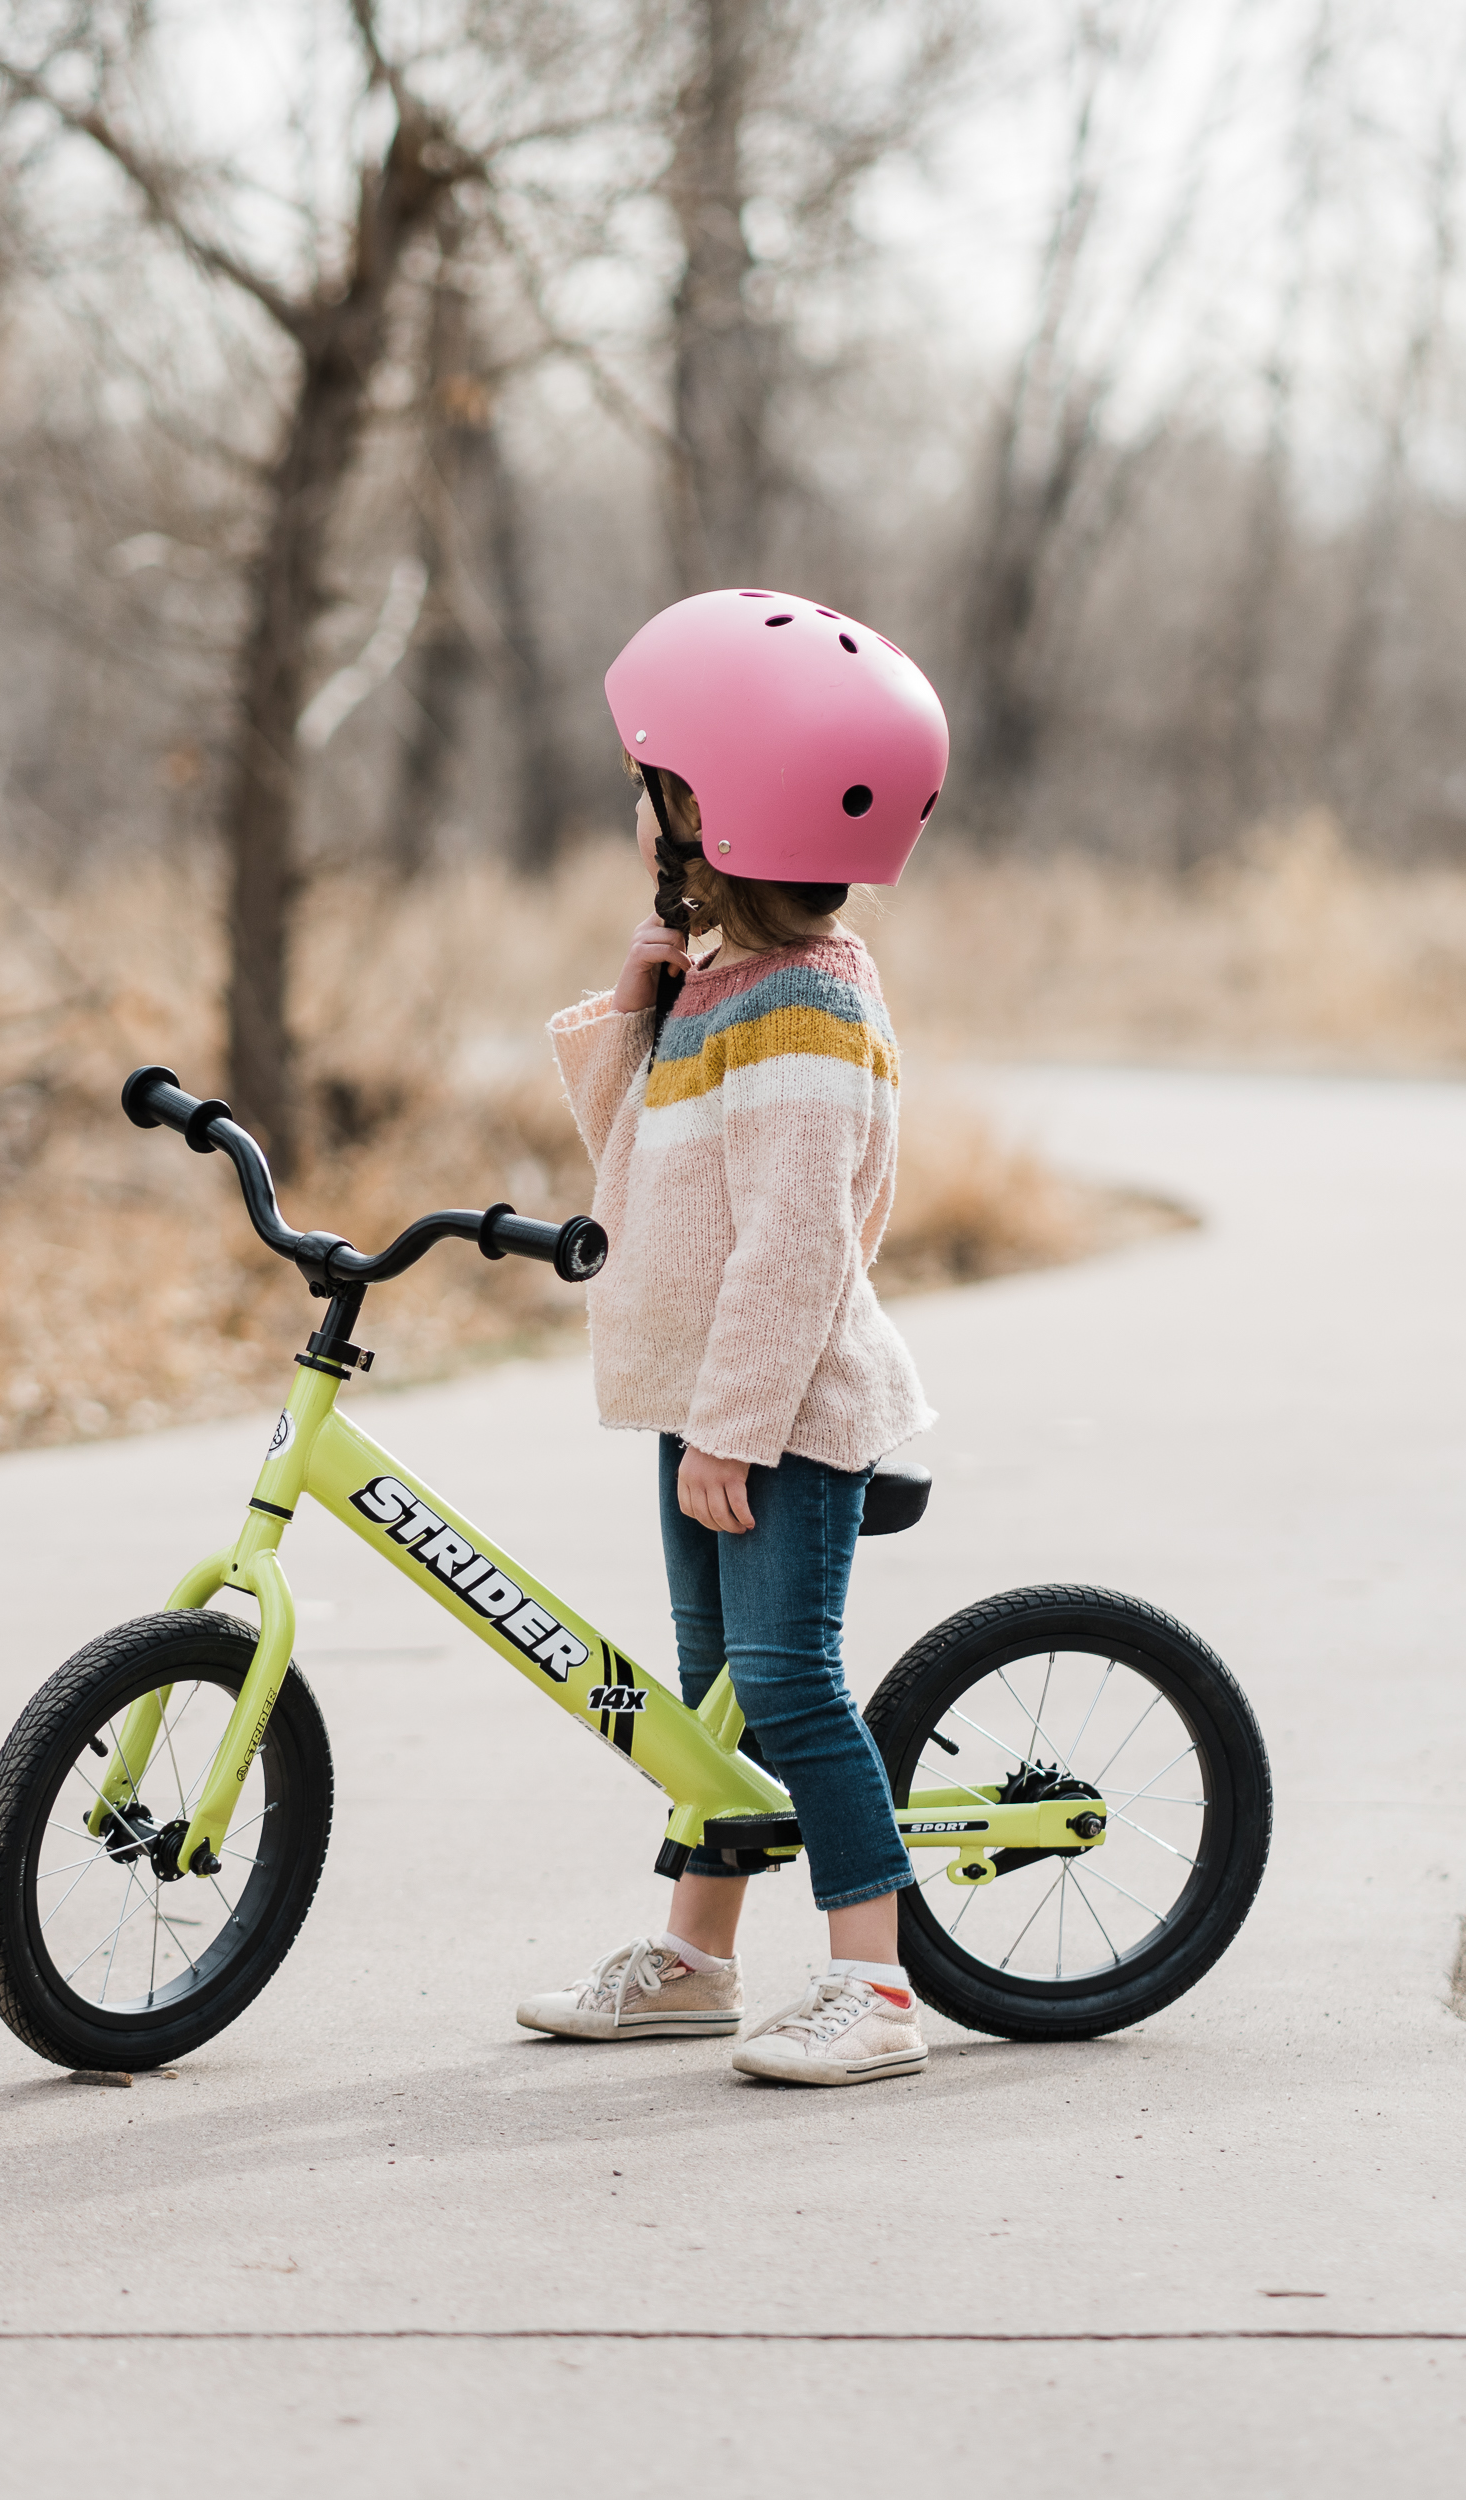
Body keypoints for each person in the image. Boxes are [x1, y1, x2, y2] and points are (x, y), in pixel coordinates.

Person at [516, 587, 950, 2086]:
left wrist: (739, 1426)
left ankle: (877, 1990)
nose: (647, 820)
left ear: (726, 821)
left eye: (664, 796)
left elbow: (797, 1247)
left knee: (786, 1682)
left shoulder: (810, 1015)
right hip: (706, 1407)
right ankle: (698, 1960)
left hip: (779, 1414)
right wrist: (629, 1002)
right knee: (712, 1699)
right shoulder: (719, 987)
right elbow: (631, 1158)